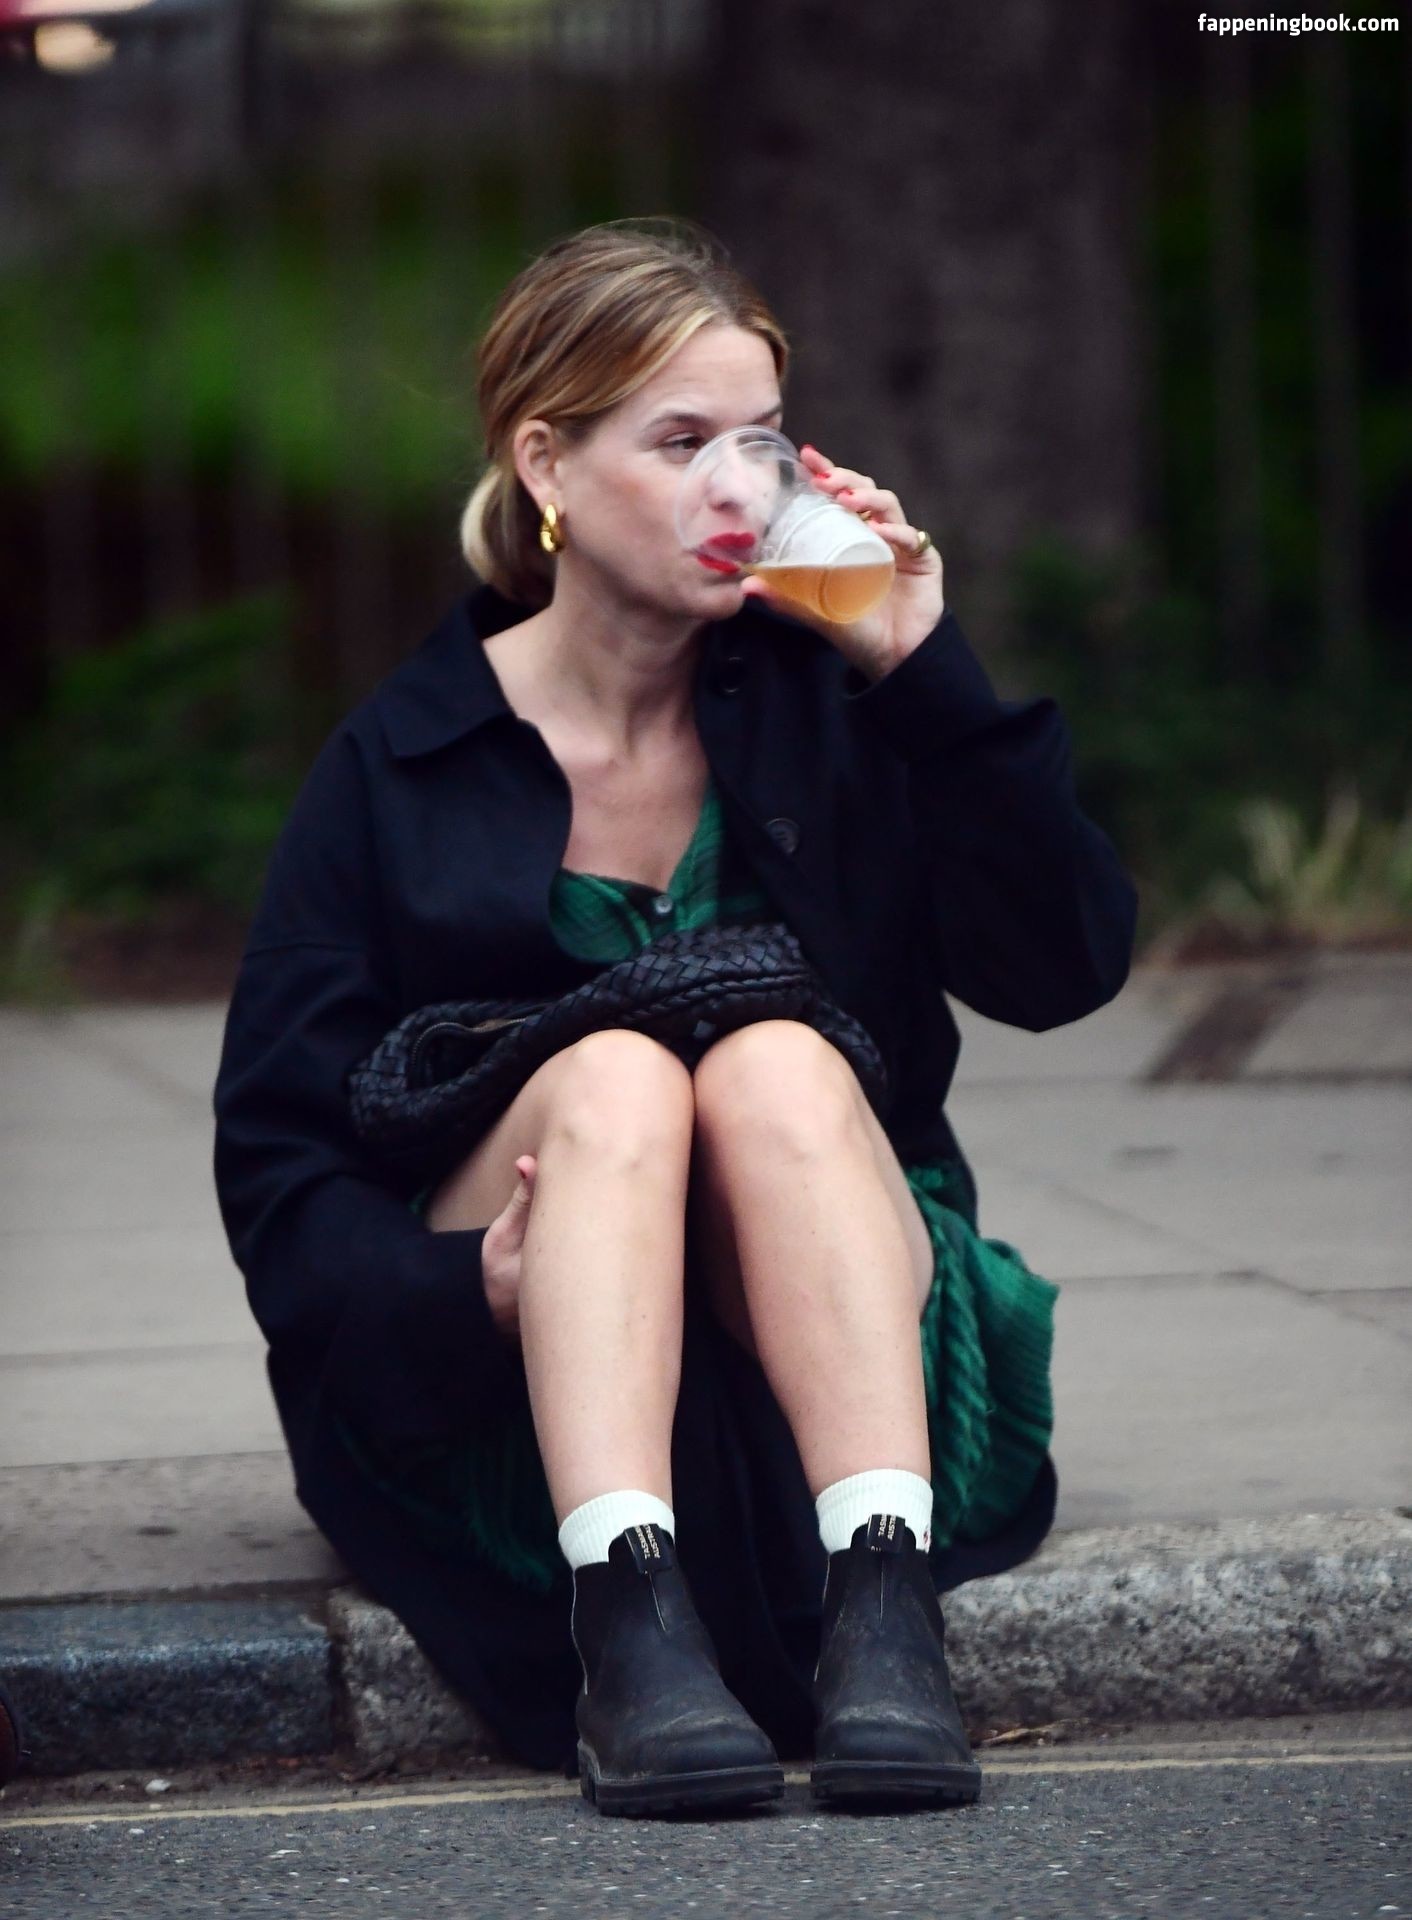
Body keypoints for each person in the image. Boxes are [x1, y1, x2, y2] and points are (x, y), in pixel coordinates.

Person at [212, 216, 1138, 1819]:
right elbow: (280, 1169)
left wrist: (921, 668)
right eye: (682, 441)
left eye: (764, 441)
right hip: (528, 1408)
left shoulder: (833, 697)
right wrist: (461, 1288)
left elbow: (1063, 966)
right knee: (618, 1078)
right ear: (548, 467)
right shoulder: (401, 764)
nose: (741, 490)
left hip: (849, 1356)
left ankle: (884, 1607)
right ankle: (626, 1625)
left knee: (773, 1063)